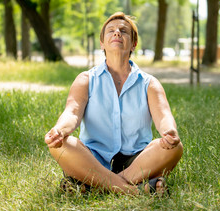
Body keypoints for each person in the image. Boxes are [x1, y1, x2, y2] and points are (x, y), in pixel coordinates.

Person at [44, 12, 183, 195]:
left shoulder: (149, 83)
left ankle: (93, 184)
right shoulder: (86, 79)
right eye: (111, 30)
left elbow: (163, 116)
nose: (117, 33)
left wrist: (169, 132)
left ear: (133, 44)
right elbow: (72, 112)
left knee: (175, 148)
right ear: (102, 43)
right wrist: (60, 130)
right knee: (60, 145)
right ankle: (137, 189)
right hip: (93, 158)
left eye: (124, 31)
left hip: (137, 160)